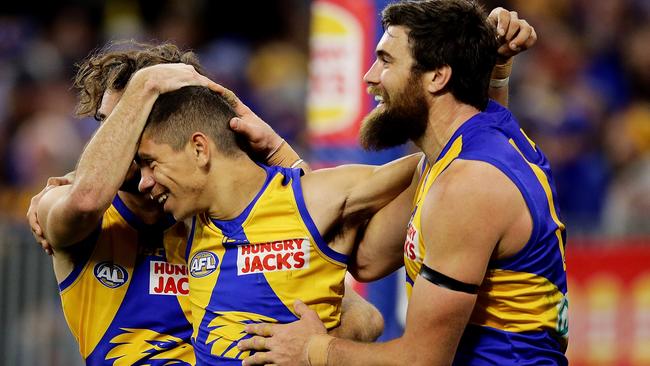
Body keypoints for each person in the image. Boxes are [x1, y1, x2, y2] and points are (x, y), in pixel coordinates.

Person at [237, 1, 568, 366]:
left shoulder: (468, 184)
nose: (369, 76)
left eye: (386, 60)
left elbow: (422, 359)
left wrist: (311, 350)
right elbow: (365, 258)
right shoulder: (449, 158)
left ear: (438, 77)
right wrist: (279, 153)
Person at [27, 42, 384, 365]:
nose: (110, 139)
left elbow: (364, 318)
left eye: (127, 121)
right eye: (105, 124)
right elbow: (87, 199)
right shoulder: (64, 206)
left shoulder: (217, 220)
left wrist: (312, 350)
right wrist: (147, 85)